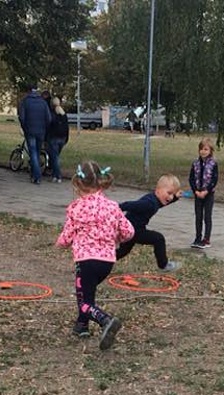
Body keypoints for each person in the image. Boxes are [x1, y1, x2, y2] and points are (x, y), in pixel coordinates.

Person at [56, 161, 134, 350]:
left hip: (85, 261)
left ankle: (105, 320)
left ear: (78, 184)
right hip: (106, 263)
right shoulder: (112, 206)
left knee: (83, 302)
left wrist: (60, 243)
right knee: (87, 292)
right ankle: (81, 326)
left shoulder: (75, 208)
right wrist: (117, 237)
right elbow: (129, 231)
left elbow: (67, 236)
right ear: (100, 183)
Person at [117, 175, 182, 272]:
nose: (170, 197)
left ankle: (102, 259)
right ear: (158, 190)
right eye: (169, 193)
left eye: (173, 194)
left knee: (122, 252)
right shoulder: (149, 203)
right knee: (158, 239)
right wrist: (117, 207)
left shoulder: (155, 200)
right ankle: (163, 265)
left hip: (131, 229)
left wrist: (175, 198)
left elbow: (161, 204)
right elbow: (132, 205)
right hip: (134, 230)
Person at [18, 84, 52, 185]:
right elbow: (49, 118)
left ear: (28, 91)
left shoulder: (25, 102)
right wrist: (44, 127)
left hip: (30, 130)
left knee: (33, 152)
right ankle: (34, 173)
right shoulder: (43, 102)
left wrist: (25, 127)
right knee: (37, 151)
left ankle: (37, 176)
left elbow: (22, 117)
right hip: (41, 131)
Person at [189, 137, 219, 249]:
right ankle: (197, 237)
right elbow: (191, 178)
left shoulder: (213, 164)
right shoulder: (195, 163)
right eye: (201, 149)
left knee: (207, 216)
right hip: (198, 194)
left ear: (210, 150)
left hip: (208, 194)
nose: (203, 151)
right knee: (198, 216)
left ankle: (206, 239)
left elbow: (214, 180)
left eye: (206, 149)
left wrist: (206, 191)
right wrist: (195, 191)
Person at [47, 97, 70, 184]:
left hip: (53, 138)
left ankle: (57, 176)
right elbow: (67, 127)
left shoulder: (52, 114)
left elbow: (48, 126)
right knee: (55, 157)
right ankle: (54, 175)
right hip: (63, 138)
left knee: (54, 157)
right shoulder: (64, 114)